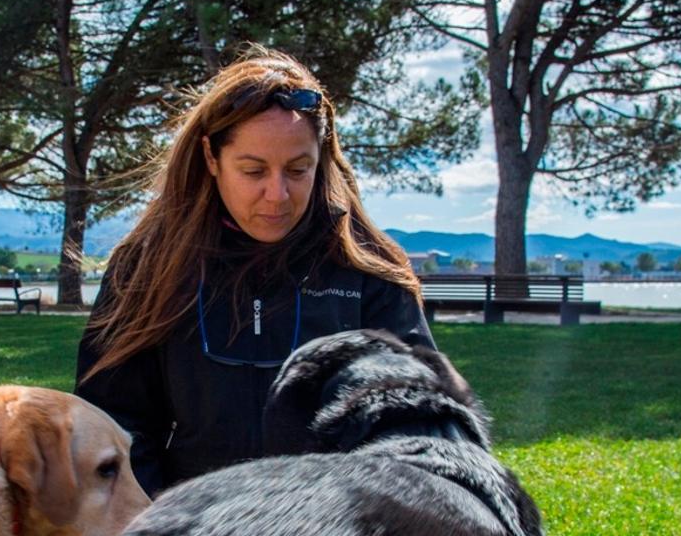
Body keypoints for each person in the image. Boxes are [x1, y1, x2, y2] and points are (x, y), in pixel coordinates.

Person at [75, 47, 434, 497]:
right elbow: (111, 422)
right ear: (211, 158)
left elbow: (420, 421)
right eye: (253, 170)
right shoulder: (146, 270)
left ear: (321, 160)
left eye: (298, 170)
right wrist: (158, 523)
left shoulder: (367, 270)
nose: (277, 195)